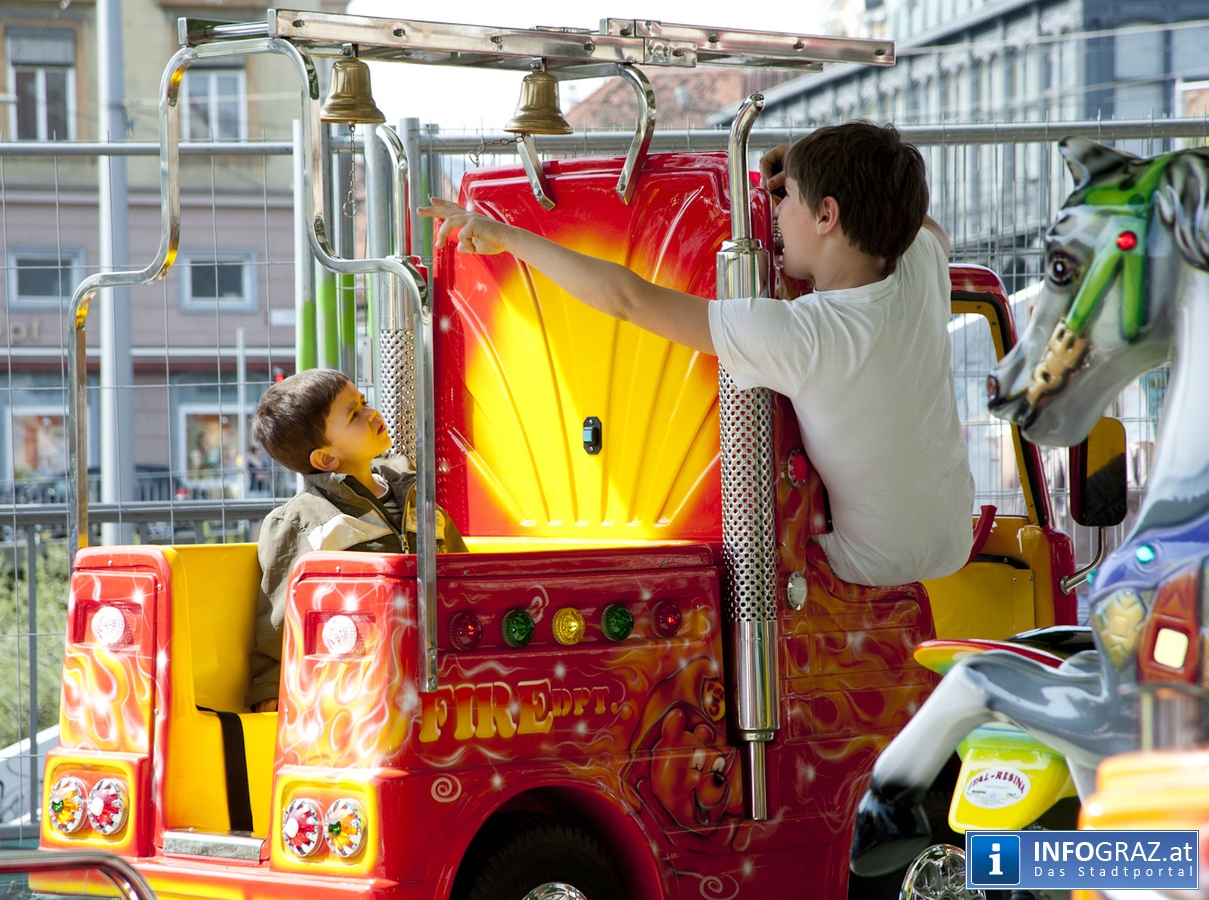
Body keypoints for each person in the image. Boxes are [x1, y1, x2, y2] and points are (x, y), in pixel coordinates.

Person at [420, 121, 974, 591]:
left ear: (828, 215)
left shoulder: (804, 334)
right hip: (954, 543)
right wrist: (810, 170)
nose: (775, 214)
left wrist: (509, 237)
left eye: (790, 199)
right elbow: (921, 221)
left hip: (867, 567)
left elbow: (626, 298)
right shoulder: (922, 264)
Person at [244, 368, 465, 712]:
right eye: (353, 414)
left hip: (445, 670)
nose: (370, 412)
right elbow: (280, 619)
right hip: (357, 684)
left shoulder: (417, 498)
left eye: (363, 401)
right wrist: (270, 690)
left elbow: (464, 574)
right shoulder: (303, 521)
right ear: (326, 458)